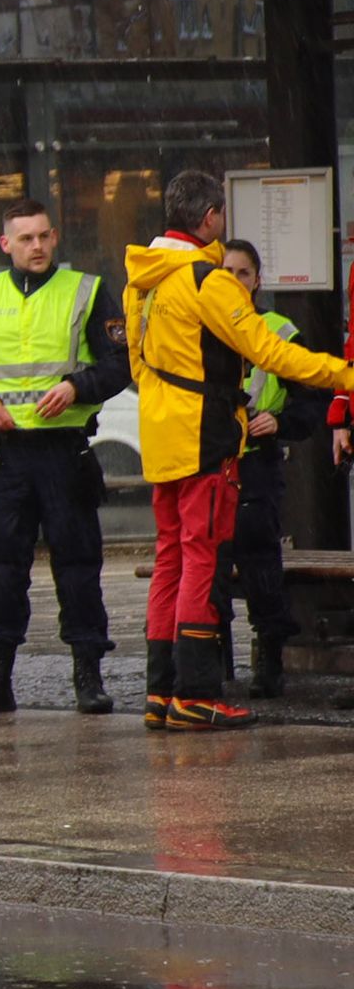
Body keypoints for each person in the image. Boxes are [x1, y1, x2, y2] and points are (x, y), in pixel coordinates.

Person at [124, 170, 354, 731]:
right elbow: (268, 350)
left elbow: (136, 362)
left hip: (160, 434)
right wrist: (342, 372)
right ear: (208, 219)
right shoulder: (206, 279)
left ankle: (162, 692)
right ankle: (198, 692)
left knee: (171, 561)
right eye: (221, 216)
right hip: (205, 435)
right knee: (204, 557)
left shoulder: (143, 282)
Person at [0, 200, 128, 717]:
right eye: (25, 239)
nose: (37, 246)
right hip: (7, 455)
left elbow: (120, 363)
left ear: (55, 237)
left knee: (79, 567)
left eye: (44, 236)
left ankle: (89, 676)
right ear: (6, 245)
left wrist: (76, 386)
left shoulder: (85, 291)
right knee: (1, 570)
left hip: (64, 452)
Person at [210, 242, 302, 700]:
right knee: (209, 562)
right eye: (225, 272)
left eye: (242, 273)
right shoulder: (200, 328)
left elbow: (312, 400)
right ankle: (211, 657)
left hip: (258, 462)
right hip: (211, 460)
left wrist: (282, 421)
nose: (234, 280)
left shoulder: (279, 331)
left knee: (260, 561)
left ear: (257, 280)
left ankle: (269, 657)